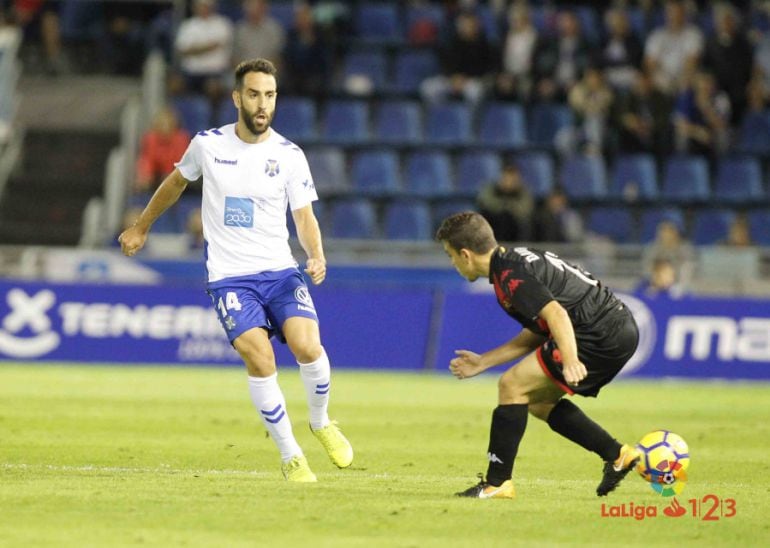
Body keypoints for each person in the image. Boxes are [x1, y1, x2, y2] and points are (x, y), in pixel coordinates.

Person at [118, 58, 353, 482]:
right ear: (236, 97)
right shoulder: (208, 146)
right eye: (254, 94)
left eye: (270, 95)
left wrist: (315, 254)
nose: (262, 104)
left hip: (280, 272)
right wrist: (141, 226)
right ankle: (290, 455)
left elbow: (304, 217)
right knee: (259, 357)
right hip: (229, 277)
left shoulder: (289, 155)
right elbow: (175, 183)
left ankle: (320, 422)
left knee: (307, 348)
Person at [435, 211, 640, 499]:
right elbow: (540, 330)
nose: (452, 263)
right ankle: (618, 455)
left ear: (466, 255)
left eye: (450, 255)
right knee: (537, 401)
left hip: (599, 330)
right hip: (615, 326)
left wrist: (570, 359)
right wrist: (484, 361)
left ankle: (497, 483)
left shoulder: (510, 275)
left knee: (512, 385)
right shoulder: (512, 261)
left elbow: (556, 314)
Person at [476, 163, 534, 242]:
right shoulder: (491, 188)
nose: (509, 180)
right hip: (494, 222)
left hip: (515, 226)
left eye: (512, 177)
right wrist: (505, 205)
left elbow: (525, 209)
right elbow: (486, 202)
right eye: (507, 177)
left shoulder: (523, 191)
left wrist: (509, 206)